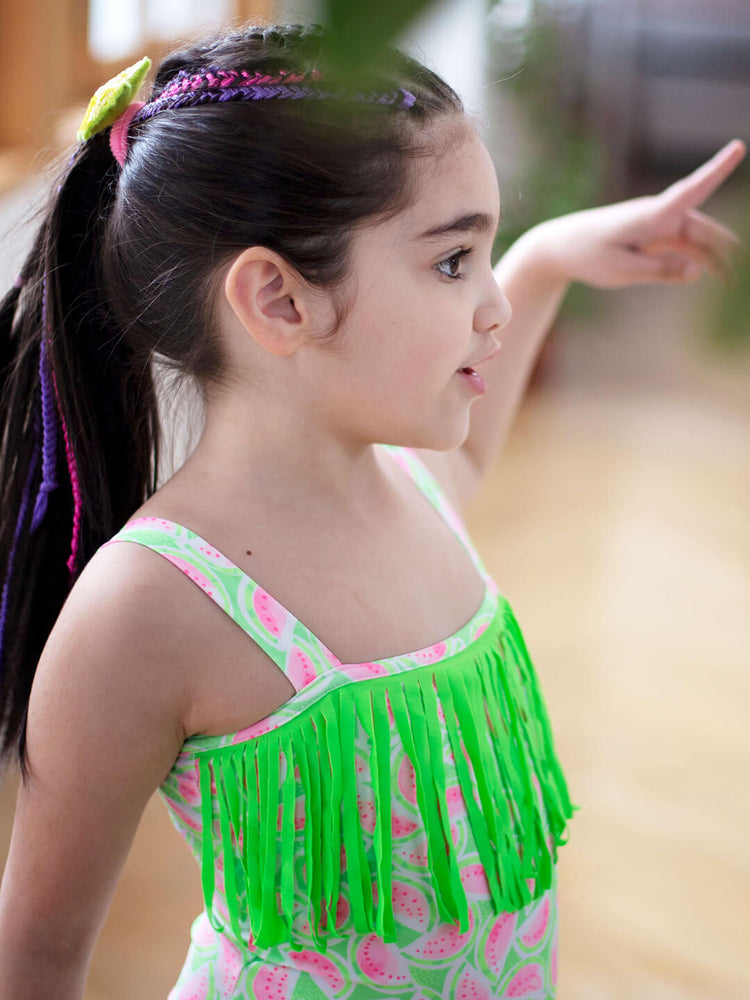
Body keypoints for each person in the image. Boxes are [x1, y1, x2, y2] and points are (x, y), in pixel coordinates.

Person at [0, 20, 744, 1000]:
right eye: (450, 263)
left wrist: (553, 255)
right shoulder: (149, 605)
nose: (494, 306)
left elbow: (475, 440)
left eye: (485, 256)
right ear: (278, 300)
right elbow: (41, 949)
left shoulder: (414, 485)